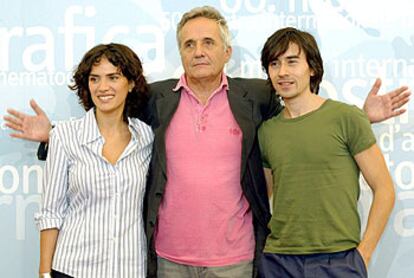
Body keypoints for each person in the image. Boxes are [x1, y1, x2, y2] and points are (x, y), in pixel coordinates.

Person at [4, 6, 410, 278]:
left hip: (235, 260)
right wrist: (53, 134)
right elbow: (110, 116)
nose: (199, 51)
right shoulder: (157, 99)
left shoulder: (255, 95)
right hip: (168, 260)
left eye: (208, 42)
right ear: (180, 52)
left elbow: (304, 106)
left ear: (227, 51)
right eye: (189, 44)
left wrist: (360, 113)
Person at [258, 27, 395, 278]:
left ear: (312, 67)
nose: (283, 72)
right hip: (278, 261)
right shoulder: (267, 131)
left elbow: (384, 188)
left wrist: (363, 255)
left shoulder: (347, 117)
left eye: (292, 61)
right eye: (274, 63)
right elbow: (263, 197)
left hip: (339, 260)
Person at [33, 43, 153, 277]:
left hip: (129, 269)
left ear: (130, 83)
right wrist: (44, 273)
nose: (103, 87)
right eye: (94, 79)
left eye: (113, 77)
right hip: (73, 268)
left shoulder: (146, 137)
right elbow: (51, 212)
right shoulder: (64, 136)